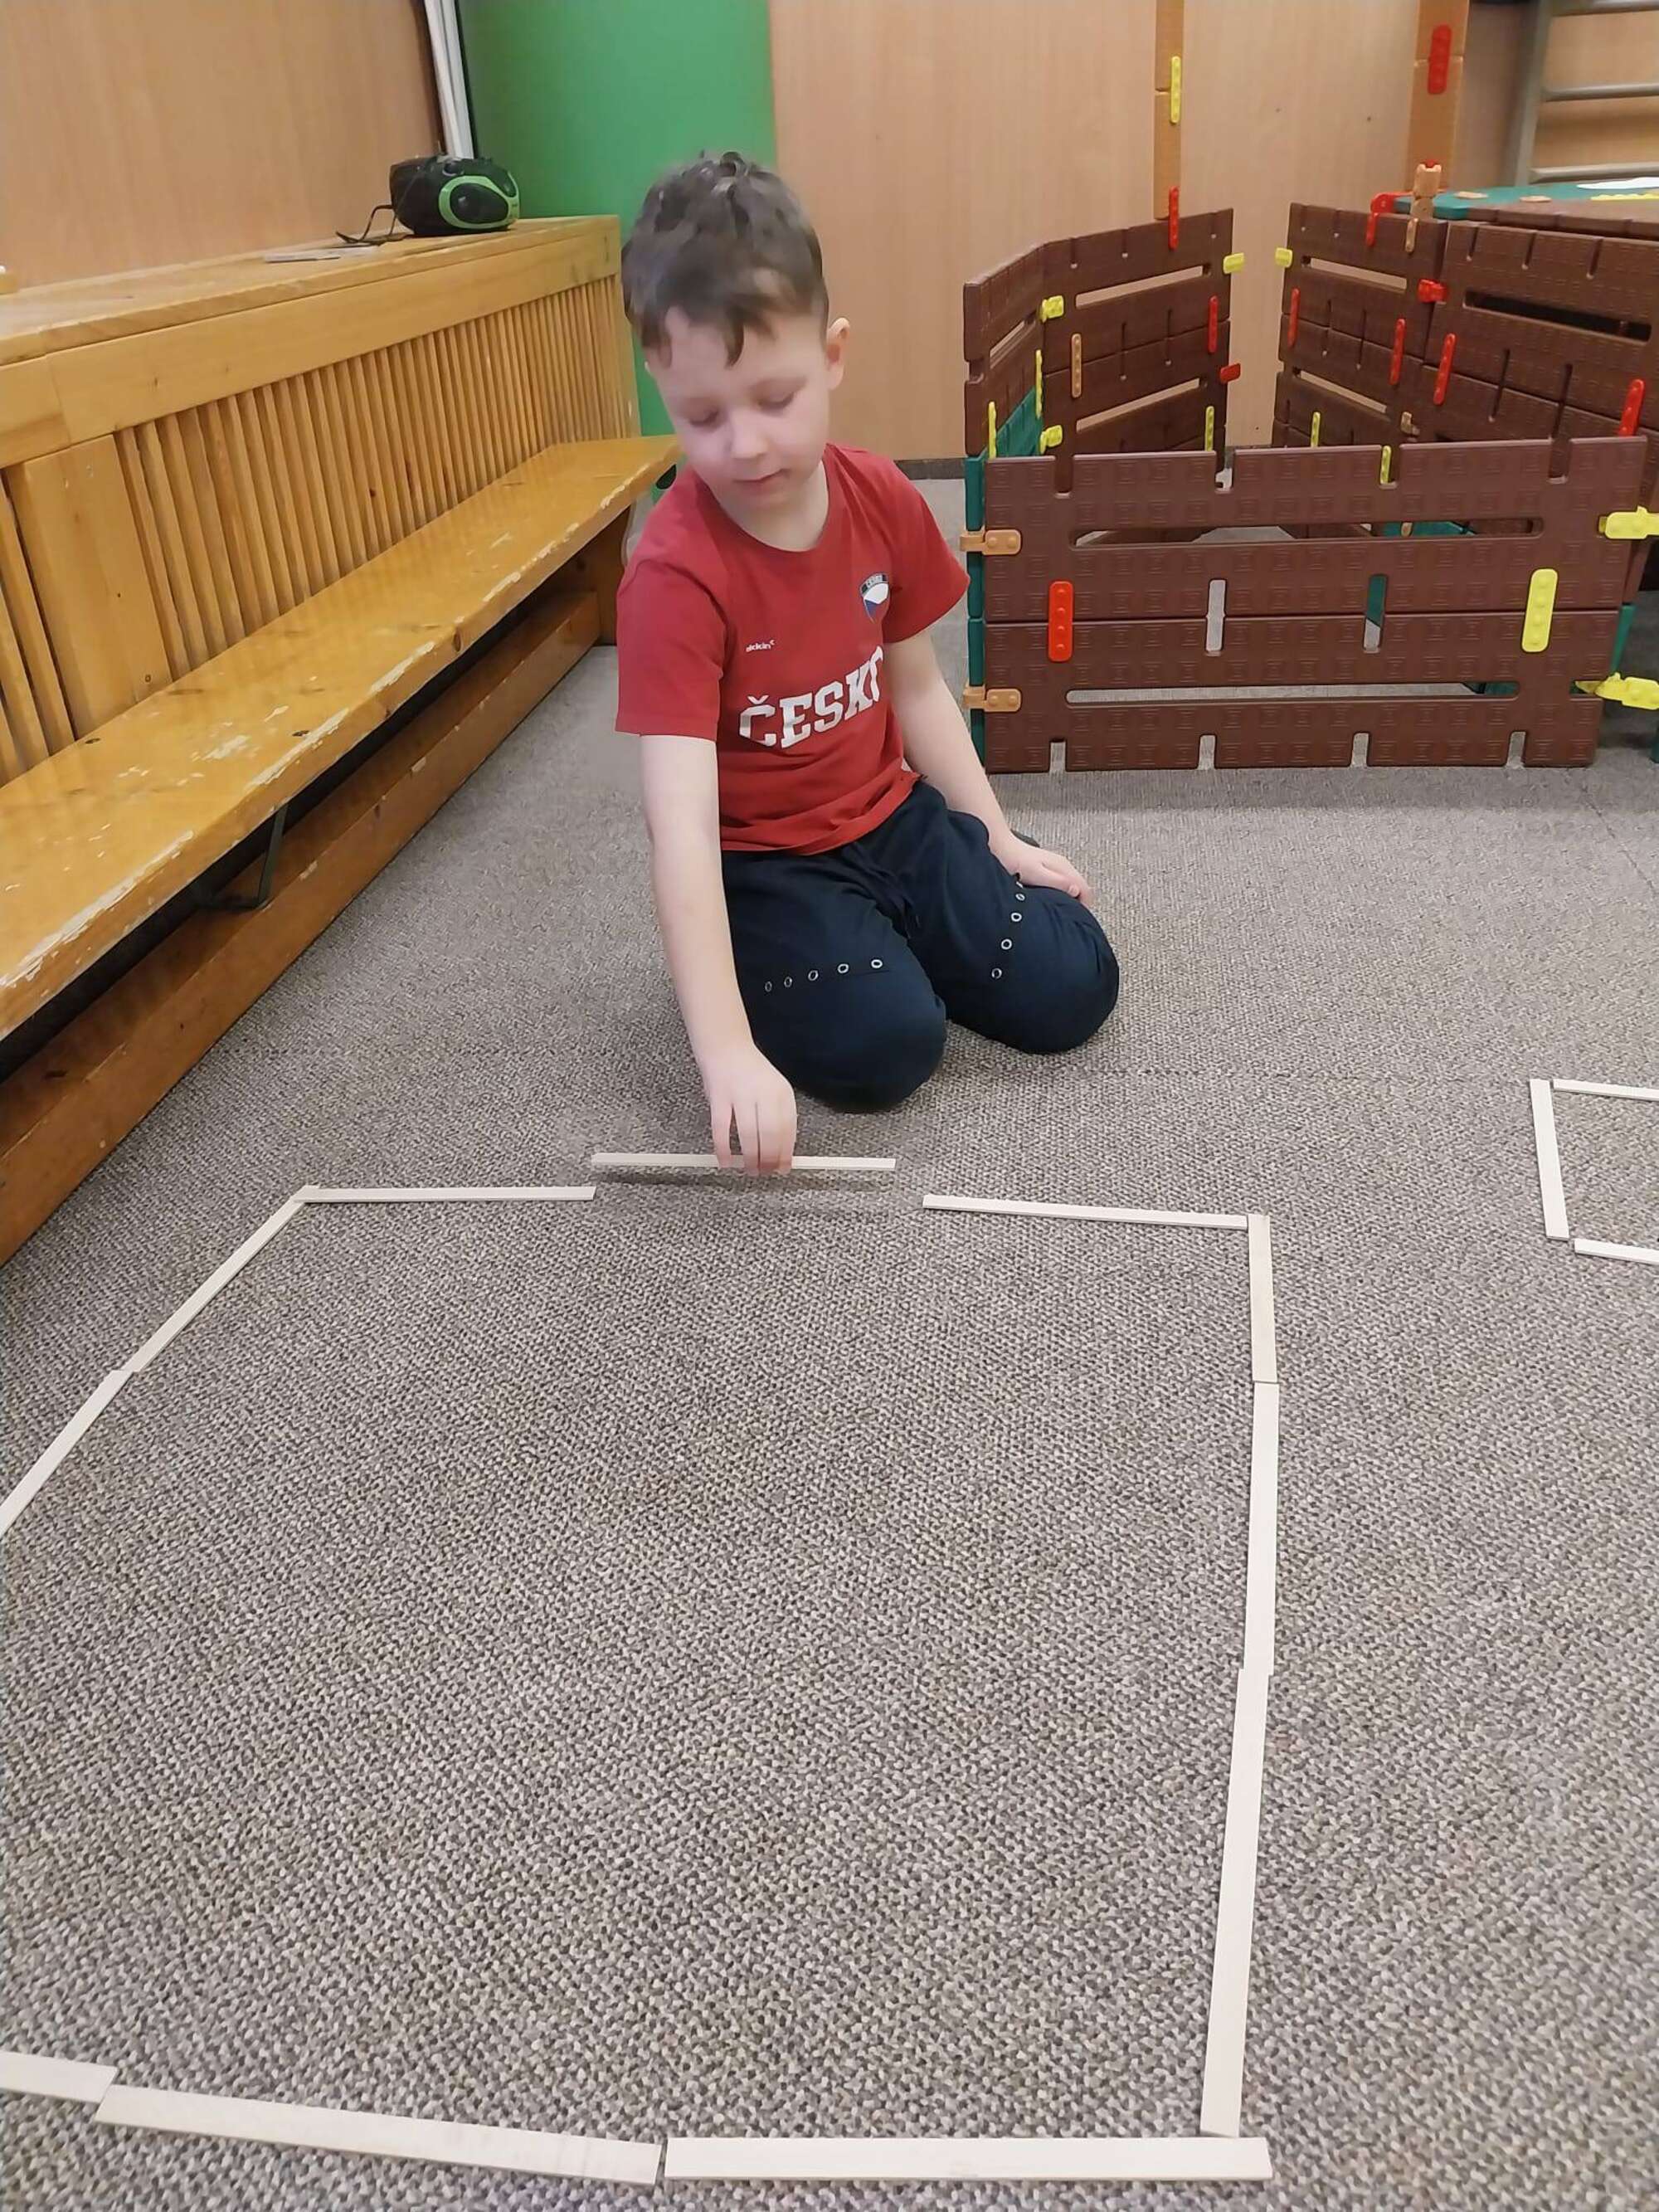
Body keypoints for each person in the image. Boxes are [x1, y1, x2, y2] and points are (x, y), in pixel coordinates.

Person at [615, 153, 1120, 1173]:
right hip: (765, 865)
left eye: (775, 397)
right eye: (702, 416)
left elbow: (916, 686)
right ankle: (742, 964)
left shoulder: (882, 498)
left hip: (890, 817)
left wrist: (996, 839)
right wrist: (726, 1053)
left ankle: (898, 921)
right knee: (890, 1046)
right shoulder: (672, 574)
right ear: (661, 388)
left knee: (1075, 983)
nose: (744, 445)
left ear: (832, 354)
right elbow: (682, 825)